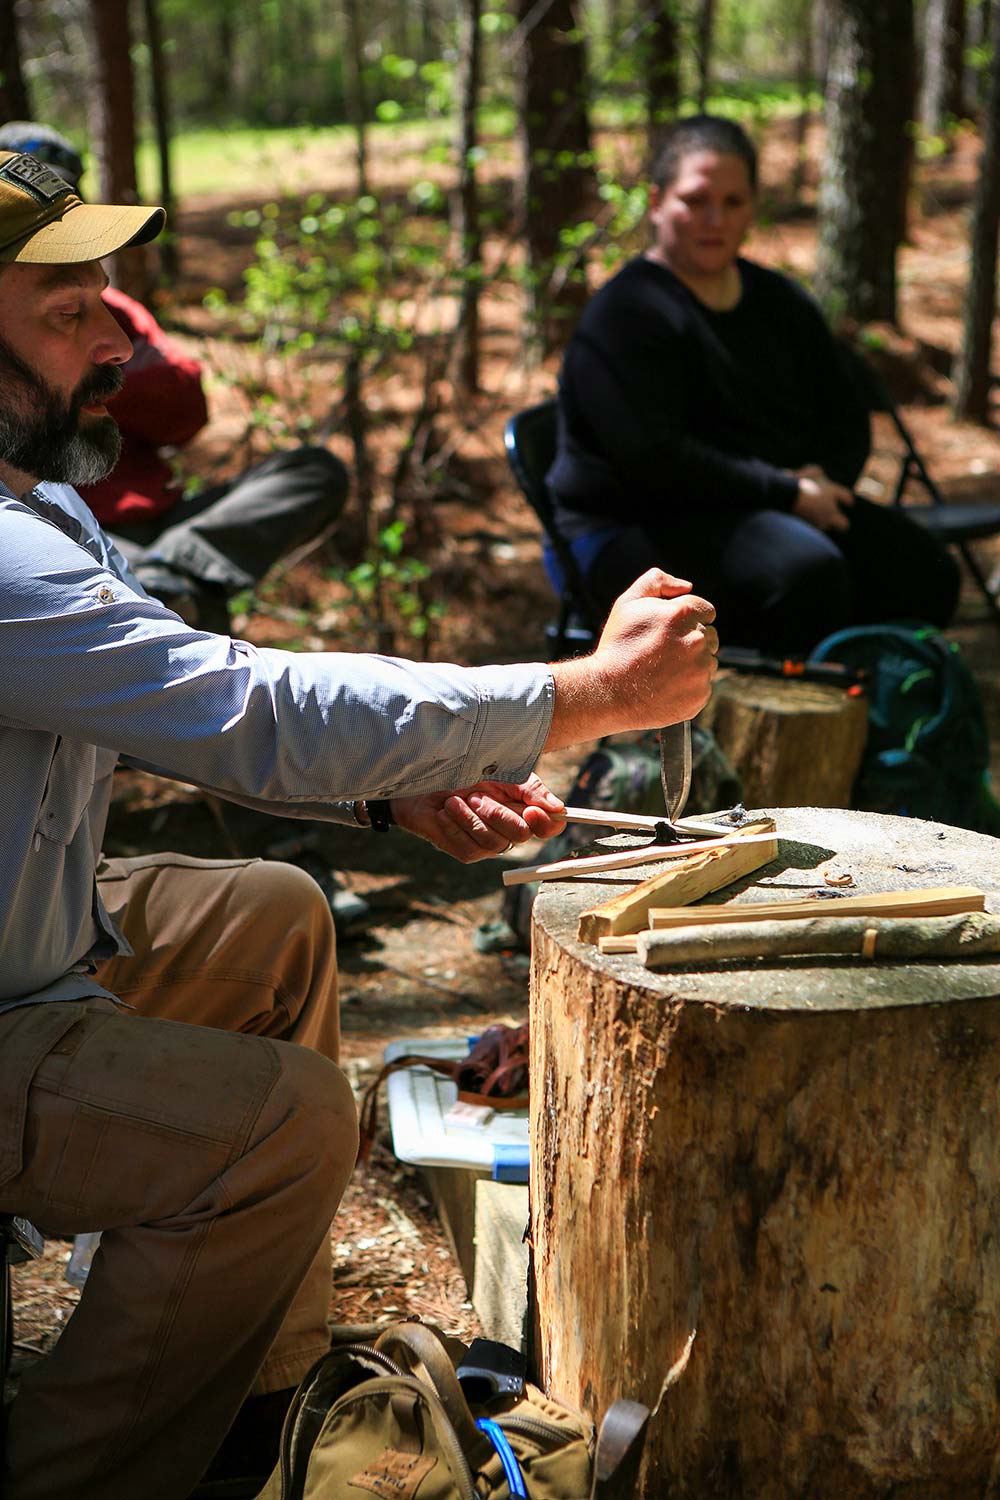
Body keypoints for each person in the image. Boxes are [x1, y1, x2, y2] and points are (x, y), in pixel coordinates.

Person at [0, 149, 718, 1500]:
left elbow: (171, 706)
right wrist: (585, 695)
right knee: (282, 1124)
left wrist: (389, 791)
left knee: (268, 917)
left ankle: (253, 1398)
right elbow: (246, 701)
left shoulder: (36, 506)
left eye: (108, 295)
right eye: (65, 311)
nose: (114, 339)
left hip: (31, 942)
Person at [547, 114, 961, 656]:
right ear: (656, 203)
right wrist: (787, 492)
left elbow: (842, 409)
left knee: (921, 571)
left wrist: (821, 482)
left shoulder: (778, 301)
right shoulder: (626, 316)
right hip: (625, 529)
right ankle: (750, 724)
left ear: (752, 209)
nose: (713, 219)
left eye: (733, 202)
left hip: (754, 508)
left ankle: (875, 718)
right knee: (807, 575)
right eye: (695, 200)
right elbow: (654, 460)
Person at [0, 121, 350, 633]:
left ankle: (165, 577)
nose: (116, 346)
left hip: (169, 520)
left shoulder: (111, 312)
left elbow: (187, 408)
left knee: (315, 470)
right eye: (68, 311)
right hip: (98, 536)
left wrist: (91, 367)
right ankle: (150, 586)